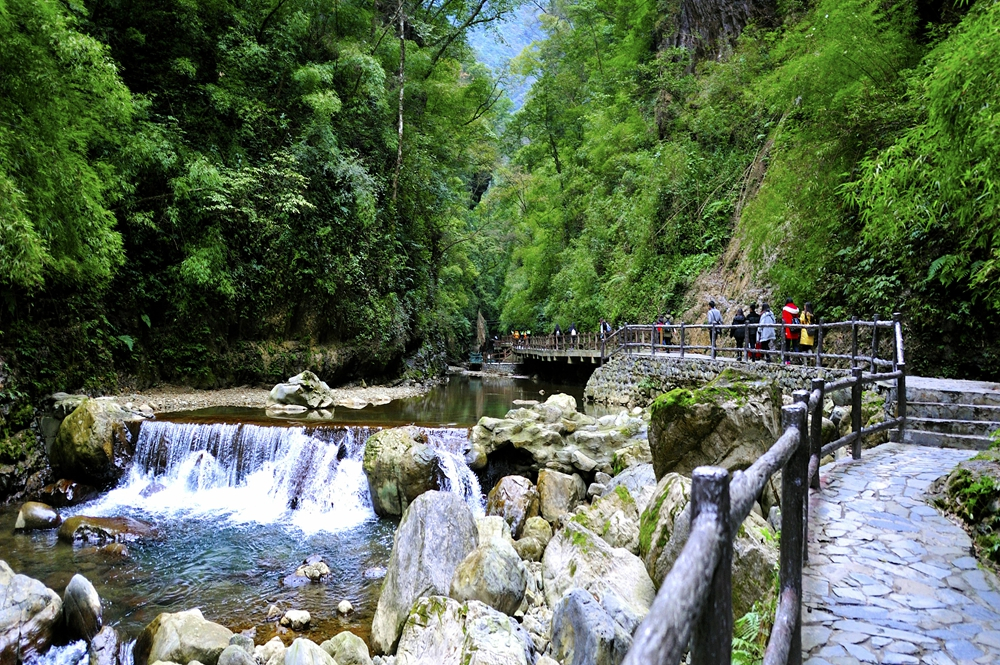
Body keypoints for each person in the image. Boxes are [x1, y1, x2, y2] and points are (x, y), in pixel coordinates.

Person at [781, 298, 801, 364]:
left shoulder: (785, 309)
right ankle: (799, 359)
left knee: (787, 346)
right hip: (795, 328)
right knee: (795, 345)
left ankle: (787, 361)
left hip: (788, 329)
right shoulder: (796, 309)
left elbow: (784, 319)